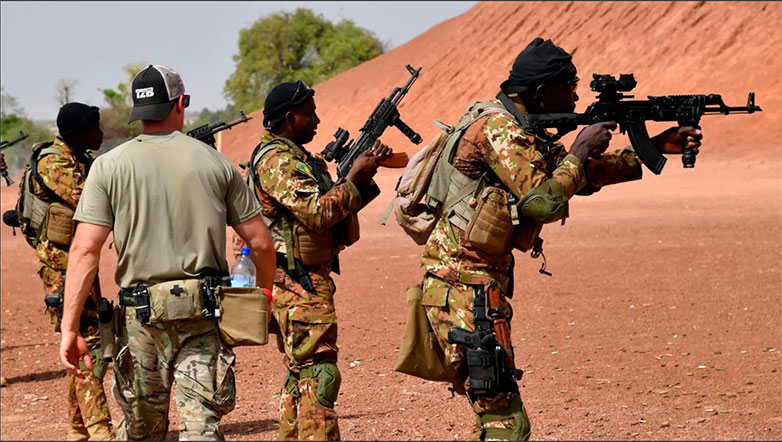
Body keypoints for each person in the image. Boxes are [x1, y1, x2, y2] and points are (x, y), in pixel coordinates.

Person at [413, 38, 703, 440]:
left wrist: (652, 148)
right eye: (570, 86)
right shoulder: (500, 129)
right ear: (540, 92)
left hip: (472, 285)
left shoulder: (521, 129)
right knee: (506, 423)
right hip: (461, 287)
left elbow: (580, 178)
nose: (576, 96)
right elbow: (543, 202)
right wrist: (579, 149)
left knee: (496, 416)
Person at [59, 64, 276, 441]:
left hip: (141, 320)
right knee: (201, 430)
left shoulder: (108, 166)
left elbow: (83, 251)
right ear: (180, 103)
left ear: (138, 111)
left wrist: (69, 328)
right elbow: (260, 243)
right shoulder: (216, 163)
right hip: (203, 316)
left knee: (142, 431)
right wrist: (265, 296)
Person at [242, 80, 391, 440]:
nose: (318, 120)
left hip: (301, 280)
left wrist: (362, 178)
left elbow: (330, 212)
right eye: (310, 114)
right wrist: (353, 179)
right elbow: (318, 213)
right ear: (290, 118)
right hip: (298, 283)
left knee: (302, 373)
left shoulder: (295, 157)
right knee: (319, 373)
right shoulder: (278, 161)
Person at [31, 102, 114, 441]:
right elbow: (90, 200)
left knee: (83, 340)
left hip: (80, 263)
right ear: (77, 132)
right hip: (62, 266)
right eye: (95, 127)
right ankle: (99, 429)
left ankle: (78, 429)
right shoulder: (54, 163)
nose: (101, 133)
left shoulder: (82, 159)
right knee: (86, 342)